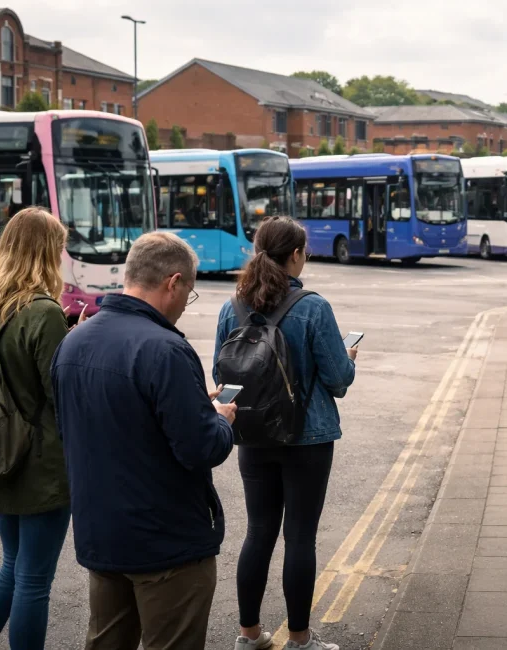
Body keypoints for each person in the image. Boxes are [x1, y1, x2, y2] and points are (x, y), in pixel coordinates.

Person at [51, 232, 236, 649]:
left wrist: (189, 404)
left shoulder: (73, 342)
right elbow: (201, 447)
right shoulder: (166, 349)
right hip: (165, 542)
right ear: (173, 282)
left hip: (102, 534)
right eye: (187, 293)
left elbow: (76, 430)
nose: (183, 306)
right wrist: (220, 419)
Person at [214, 217, 356, 650]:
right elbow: (337, 380)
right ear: (295, 255)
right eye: (305, 251)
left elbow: (222, 376)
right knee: (299, 537)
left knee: (258, 532)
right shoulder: (313, 307)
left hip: (252, 433)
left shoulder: (231, 307)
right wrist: (347, 357)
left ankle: (249, 635)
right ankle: (299, 638)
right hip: (306, 438)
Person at [0, 208, 75, 650]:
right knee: (33, 580)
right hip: (40, 464)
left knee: (12, 568)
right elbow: (60, 395)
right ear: (45, 252)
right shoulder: (44, 312)